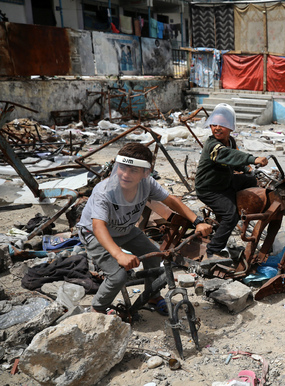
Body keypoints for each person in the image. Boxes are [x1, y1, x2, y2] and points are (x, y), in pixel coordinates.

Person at [77, 143, 212, 315]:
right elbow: (98, 226)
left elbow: (172, 201)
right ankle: (97, 310)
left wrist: (197, 221)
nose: (125, 175)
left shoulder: (147, 184)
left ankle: (152, 296)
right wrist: (119, 254)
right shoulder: (104, 191)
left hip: (125, 230)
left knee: (155, 256)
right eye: (123, 168)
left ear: (145, 173)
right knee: (118, 276)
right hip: (95, 235)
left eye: (133, 170)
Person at [195, 103, 268, 259]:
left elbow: (235, 160)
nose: (217, 128)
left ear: (230, 127)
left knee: (251, 180)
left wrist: (247, 168)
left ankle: (241, 205)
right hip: (209, 189)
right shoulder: (213, 146)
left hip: (225, 182)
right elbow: (228, 155)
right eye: (214, 124)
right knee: (231, 215)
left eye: (222, 125)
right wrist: (253, 159)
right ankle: (213, 250)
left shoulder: (231, 141)